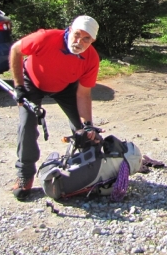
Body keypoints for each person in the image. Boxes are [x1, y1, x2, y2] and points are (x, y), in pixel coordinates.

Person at [9, 15, 100, 199]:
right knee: (27, 126)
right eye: (76, 35)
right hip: (32, 81)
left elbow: (83, 94)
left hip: (65, 86)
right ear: (69, 30)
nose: (79, 41)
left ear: (93, 40)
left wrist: (87, 124)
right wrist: (18, 86)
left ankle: (87, 170)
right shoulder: (45, 38)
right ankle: (25, 174)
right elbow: (16, 50)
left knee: (84, 131)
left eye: (86, 39)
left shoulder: (91, 59)